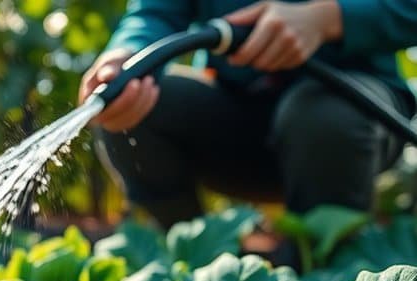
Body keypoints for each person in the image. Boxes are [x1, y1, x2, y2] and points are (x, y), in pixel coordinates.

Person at [79, 0, 417, 228]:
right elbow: (156, 11)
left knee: (323, 117)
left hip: (353, 117)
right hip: (237, 115)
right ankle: (192, 264)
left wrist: (330, 19)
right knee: (127, 101)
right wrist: (127, 57)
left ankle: (328, 275)